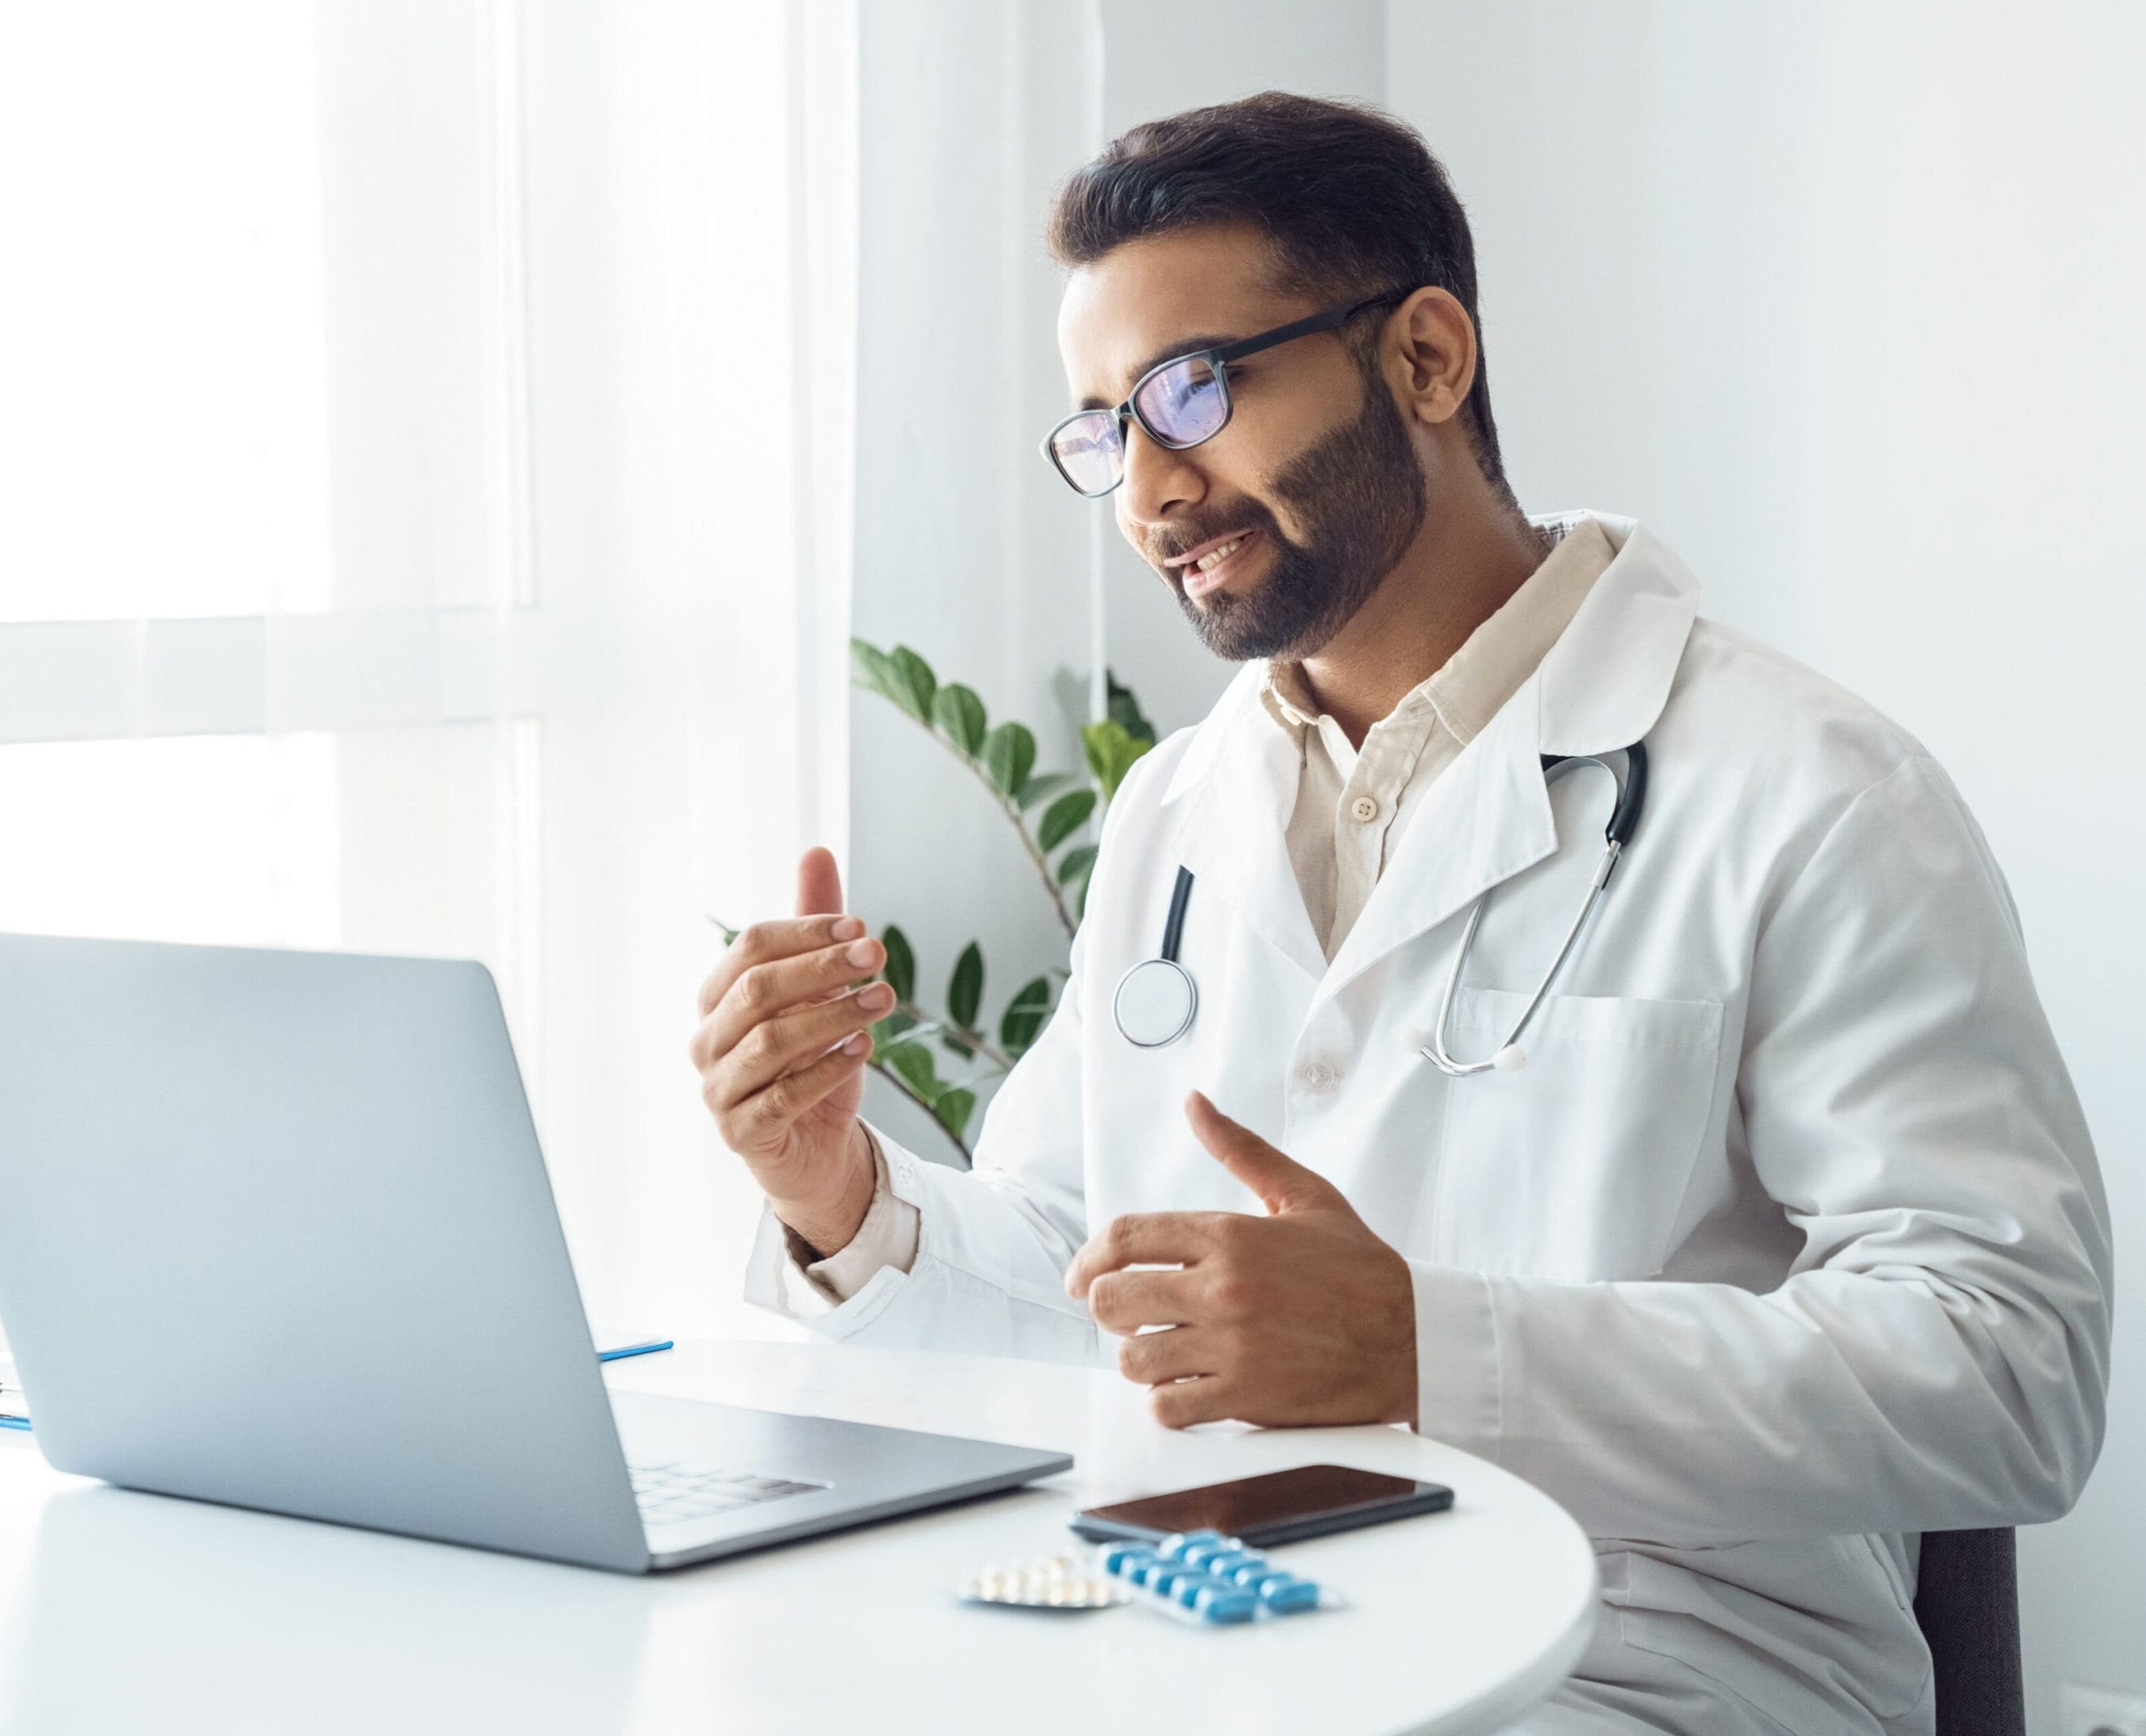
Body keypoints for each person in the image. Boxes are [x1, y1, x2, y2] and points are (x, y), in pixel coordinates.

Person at [687, 93, 2109, 1734]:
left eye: (1191, 390)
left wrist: (1438, 1350)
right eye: (1103, 429)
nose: (1148, 491)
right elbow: (1082, 1277)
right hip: (1222, 1623)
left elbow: (2011, 1372)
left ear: (1425, 360)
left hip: (1649, 1668)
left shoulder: (1810, 792)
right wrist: (841, 1198)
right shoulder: (1178, 811)